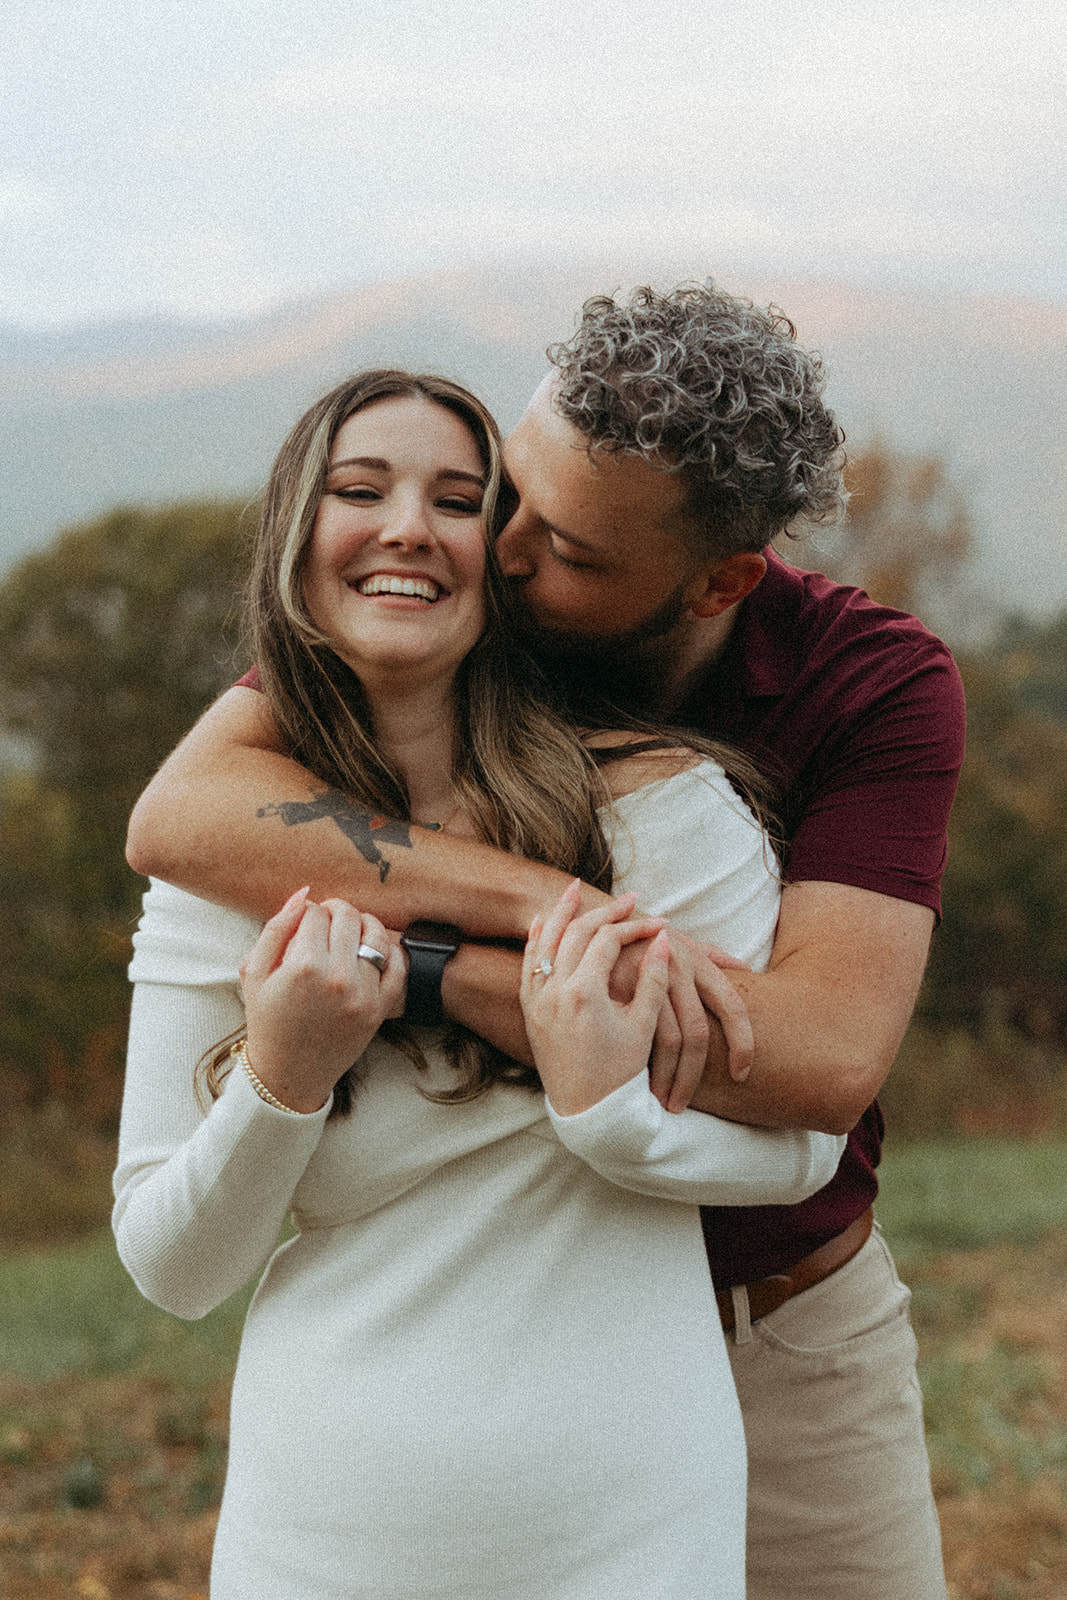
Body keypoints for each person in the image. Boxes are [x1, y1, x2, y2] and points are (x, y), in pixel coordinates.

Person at [127, 286, 966, 1600]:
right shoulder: (456, 599)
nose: (501, 554)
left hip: (774, 1309)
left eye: (567, 549)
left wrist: (421, 973)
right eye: (505, 496)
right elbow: (184, 814)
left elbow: (812, 1061)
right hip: (463, 1365)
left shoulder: (867, 687)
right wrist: (535, 908)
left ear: (720, 581)